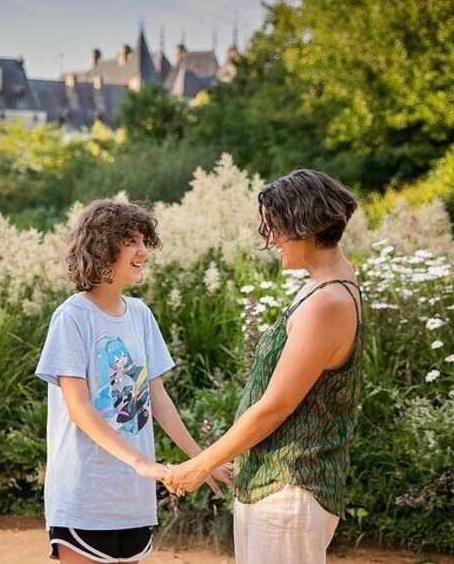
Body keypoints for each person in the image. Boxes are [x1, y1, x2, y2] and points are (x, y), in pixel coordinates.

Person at [165, 170, 364, 564]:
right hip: (275, 483)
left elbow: (276, 407)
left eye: (275, 229)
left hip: (290, 490)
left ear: (303, 226)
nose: (271, 241)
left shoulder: (327, 302)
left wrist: (199, 464)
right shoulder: (323, 285)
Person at [36, 200, 232, 564]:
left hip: (132, 499)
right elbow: (78, 409)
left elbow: (157, 399)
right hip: (85, 496)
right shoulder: (72, 317)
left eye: (144, 240)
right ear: (101, 247)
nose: (143, 250)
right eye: (131, 241)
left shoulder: (140, 315)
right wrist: (143, 463)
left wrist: (203, 460)